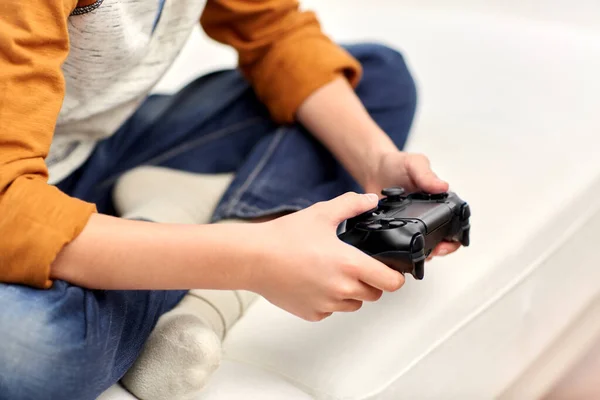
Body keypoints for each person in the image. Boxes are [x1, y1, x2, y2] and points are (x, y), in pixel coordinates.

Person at [0, 0, 462, 399]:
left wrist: (374, 160)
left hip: (91, 144)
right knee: (25, 353)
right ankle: (181, 232)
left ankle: (166, 230)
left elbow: (274, 32)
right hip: (13, 192)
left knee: (374, 79)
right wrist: (248, 260)